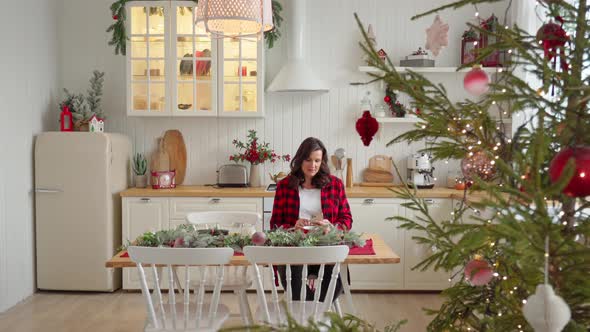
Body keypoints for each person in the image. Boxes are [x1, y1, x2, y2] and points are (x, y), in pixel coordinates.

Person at [270, 137, 353, 302]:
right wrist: (293, 227)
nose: (312, 165)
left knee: (335, 284)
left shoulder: (335, 185)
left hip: (326, 249)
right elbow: (275, 224)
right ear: (300, 159)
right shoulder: (285, 186)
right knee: (295, 287)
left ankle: (311, 314)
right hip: (295, 251)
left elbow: (347, 218)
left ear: (322, 161)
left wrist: (332, 227)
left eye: (317, 160)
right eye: (308, 159)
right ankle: (308, 314)